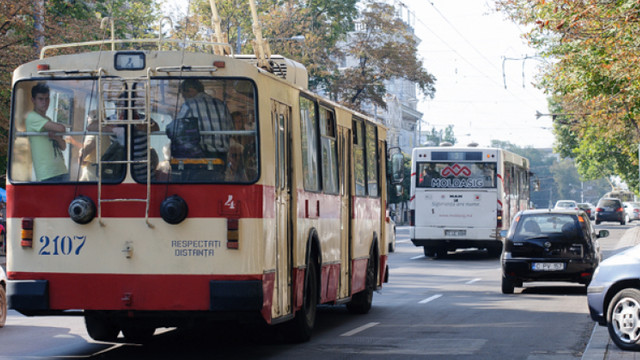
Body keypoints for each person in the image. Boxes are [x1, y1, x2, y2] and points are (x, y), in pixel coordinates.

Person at [25, 82, 69, 182]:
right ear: (33, 100)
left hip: (61, 170)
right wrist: (57, 129)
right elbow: (61, 129)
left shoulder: (47, 119)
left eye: (47, 98)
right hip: (47, 174)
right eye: (41, 99)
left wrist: (56, 137)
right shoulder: (32, 117)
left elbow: (63, 146)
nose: (44, 102)